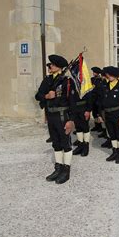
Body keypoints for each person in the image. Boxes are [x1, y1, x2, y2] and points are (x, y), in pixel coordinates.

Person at [35, 55, 77, 184]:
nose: (49, 67)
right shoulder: (47, 80)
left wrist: (71, 121)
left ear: (58, 67)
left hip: (63, 116)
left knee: (65, 143)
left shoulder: (67, 81)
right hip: (51, 116)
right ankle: (58, 168)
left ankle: (66, 170)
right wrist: (47, 96)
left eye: (51, 65)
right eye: (49, 65)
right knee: (56, 143)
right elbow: (38, 95)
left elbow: (73, 102)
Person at [97, 67, 119, 164]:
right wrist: (99, 115)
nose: (109, 76)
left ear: (116, 76)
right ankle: (115, 152)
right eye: (108, 75)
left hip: (117, 114)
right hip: (107, 114)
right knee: (111, 134)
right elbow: (100, 102)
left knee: (118, 134)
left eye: (111, 75)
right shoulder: (105, 87)